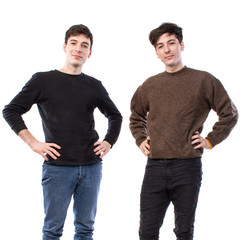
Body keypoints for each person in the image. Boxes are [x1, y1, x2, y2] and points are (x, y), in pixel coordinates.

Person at [3, 24, 122, 240]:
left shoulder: (94, 85)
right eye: (74, 43)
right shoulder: (42, 80)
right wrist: (34, 143)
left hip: (91, 167)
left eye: (84, 45)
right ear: (65, 47)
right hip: (57, 168)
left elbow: (116, 116)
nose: (79, 48)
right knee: (52, 230)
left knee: (85, 229)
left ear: (90, 53)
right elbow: (11, 110)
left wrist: (108, 141)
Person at [129, 22, 238, 240]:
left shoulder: (203, 80)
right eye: (160, 46)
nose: (167, 49)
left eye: (171, 43)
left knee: (184, 231)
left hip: (187, 167)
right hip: (155, 167)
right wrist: (141, 138)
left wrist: (210, 140)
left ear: (182, 45)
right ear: (157, 53)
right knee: (147, 231)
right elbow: (135, 116)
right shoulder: (150, 85)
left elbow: (230, 114)